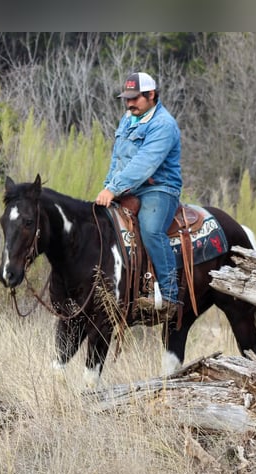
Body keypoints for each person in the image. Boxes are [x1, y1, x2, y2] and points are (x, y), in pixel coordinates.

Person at [95, 71, 183, 320]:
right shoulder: (128, 118)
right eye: (127, 98)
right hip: (129, 186)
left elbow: (145, 163)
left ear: (151, 95)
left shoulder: (163, 125)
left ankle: (169, 296)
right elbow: (118, 158)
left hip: (160, 188)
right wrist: (108, 186)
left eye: (135, 98)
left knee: (151, 229)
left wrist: (114, 188)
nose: (129, 103)